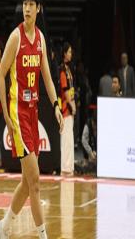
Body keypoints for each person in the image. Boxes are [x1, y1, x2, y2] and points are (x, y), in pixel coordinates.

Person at [0, 0, 64, 239]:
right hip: (17, 111)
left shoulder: (41, 39)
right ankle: (43, 236)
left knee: (27, 181)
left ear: (38, 9)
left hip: (33, 112)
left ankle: (4, 226)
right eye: (24, 4)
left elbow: (47, 78)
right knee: (34, 181)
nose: (27, 9)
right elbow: (0, 74)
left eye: (31, 4)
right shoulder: (16, 37)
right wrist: (5, 112)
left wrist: (56, 105)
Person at [59, 42, 75, 176]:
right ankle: (65, 168)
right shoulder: (62, 70)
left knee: (70, 139)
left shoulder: (68, 69)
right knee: (66, 140)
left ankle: (69, 167)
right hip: (65, 108)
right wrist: (71, 104)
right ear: (64, 53)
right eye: (69, 52)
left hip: (70, 107)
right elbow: (65, 90)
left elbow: (71, 89)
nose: (71, 54)